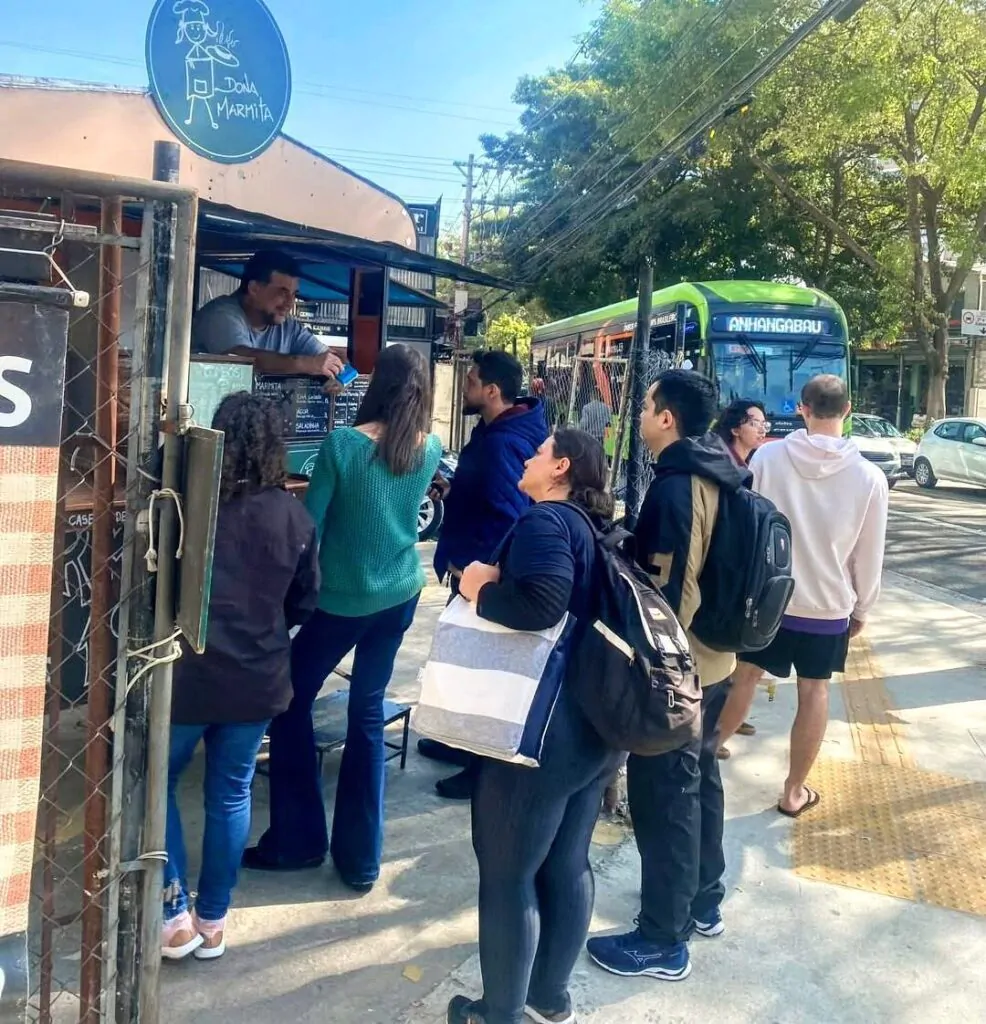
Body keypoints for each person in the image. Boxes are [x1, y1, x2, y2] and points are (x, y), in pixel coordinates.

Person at [243, 345, 442, 891]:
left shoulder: (343, 446)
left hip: (342, 600)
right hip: (400, 594)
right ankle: (361, 860)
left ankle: (297, 841)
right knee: (368, 713)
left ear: (377, 383)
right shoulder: (430, 447)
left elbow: (308, 529)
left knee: (289, 702)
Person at [446, 429, 623, 1024]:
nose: (527, 457)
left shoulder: (547, 524)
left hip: (542, 731)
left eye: (540, 452)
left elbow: (541, 603)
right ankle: (550, 997)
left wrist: (479, 589)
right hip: (593, 730)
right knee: (567, 862)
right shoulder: (593, 528)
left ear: (561, 468)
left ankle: (498, 1014)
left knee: (505, 876)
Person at [587, 369, 746, 983]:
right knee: (700, 783)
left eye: (647, 404)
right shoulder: (722, 467)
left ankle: (663, 939)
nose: (641, 413)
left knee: (666, 798)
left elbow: (668, 596)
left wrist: (653, 677)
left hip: (682, 673)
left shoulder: (680, 486)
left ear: (666, 418)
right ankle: (702, 899)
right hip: (718, 661)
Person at [163, 393, 320, 960]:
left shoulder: (187, 506)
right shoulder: (295, 515)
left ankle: (171, 911)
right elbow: (305, 601)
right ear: (274, 448)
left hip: (186, 673)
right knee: (230, 793)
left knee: (155, 781)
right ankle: (212, 919)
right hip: (259, 676)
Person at [717, 375, 888, 817]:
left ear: (802, 408)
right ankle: (793, 792)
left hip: (769, 600)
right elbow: (868, 556)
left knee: (747, 677)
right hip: (828, 606)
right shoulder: (870, 477)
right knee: (814, 692)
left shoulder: (768, 457)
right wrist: (863, 606)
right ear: (847, 410)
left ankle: (704, 752)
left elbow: (745, 524)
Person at [419, 349, 549, 801]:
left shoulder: (500, 443)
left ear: (492, 391)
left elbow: (513, 514)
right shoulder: (504, 427)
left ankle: (482, 770)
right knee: (467, 662)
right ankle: (459, 743)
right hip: (478, 570)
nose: (465, 387)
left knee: (482, 668)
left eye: (472, 380)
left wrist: (482, 570)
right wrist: (456, 491)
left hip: (485, 577)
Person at [712, 398, 770, 759]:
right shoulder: (723, 464)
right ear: (735, 427)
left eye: (763, 423)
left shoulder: (749, 463)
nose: (762, 428)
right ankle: (717, 723)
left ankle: (731, 714)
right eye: (754, 422)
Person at [192, 250, 344, 379]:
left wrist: (337, 377)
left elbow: (334, 359)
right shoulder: (221, 315)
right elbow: (243, 361)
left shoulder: (288, 327)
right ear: (254, 288)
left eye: (293, 294)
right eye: (282, 293)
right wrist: (306, 364)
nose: (290, 303)